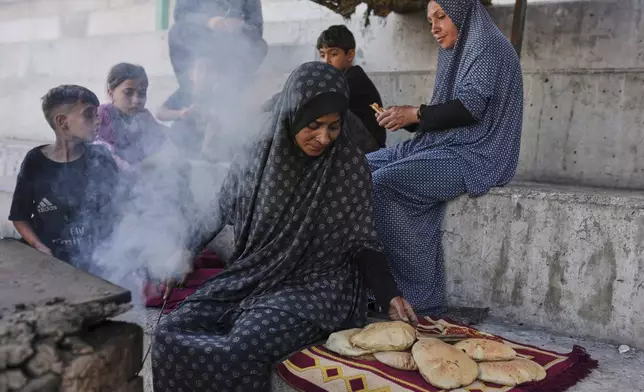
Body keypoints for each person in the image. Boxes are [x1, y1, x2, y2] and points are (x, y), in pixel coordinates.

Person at [151, 62, 417, 392]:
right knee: (168, 332)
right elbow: (219, 207)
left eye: (334, 127)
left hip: (315, 286)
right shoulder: (256, 155)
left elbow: (362, 240)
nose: (324, 138)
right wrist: (185, 248)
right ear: (291, 114)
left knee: (241, 347)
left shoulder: (347, 166)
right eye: (314, 125)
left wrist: (388, 293)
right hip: (252, 274)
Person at [368, 0, 523, 313]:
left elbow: (469, 107)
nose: (435, 28)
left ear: (462, 12)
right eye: (430, 21)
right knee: (354, 169)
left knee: (383, 183)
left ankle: (420, 297)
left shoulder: (486, 45)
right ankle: (363, 284)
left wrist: (414, 113)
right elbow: (446, 114)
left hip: (477, 154)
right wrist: (409, 118)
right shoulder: (459, 45)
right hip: (442, 145)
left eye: (441, 17)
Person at [9, 85, 119, 269]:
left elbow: (122, 207)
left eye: (97, 113)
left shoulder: (101, 157)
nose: (98, 120)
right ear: (62, 122)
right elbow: (19, 216)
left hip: (99, 260)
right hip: (52, 263)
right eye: (89, 114)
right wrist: (40, 248)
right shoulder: (35, 161)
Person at [169, 0, 267, 89]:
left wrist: (237, 26)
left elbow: (256, 26)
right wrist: (208, 21)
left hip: (234, 41)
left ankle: (228, 92)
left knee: (258, 46)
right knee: (177, 32)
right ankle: (190, 93)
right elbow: (181, 14)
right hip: (200, 36)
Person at [318, 25, 386, 150]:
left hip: (369, 148)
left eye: (333, 54)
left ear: (350, 55)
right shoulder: (341, 79)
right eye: (322, 55)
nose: (326, 61)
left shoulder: (353, 80)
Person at [95, 63, 167, 170]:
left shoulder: (144, 117)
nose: (136, 100)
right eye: (128, 93)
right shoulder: (101, 117)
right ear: (111, 93)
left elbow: (163, 145)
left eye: (142, 93)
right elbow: (106, 159)